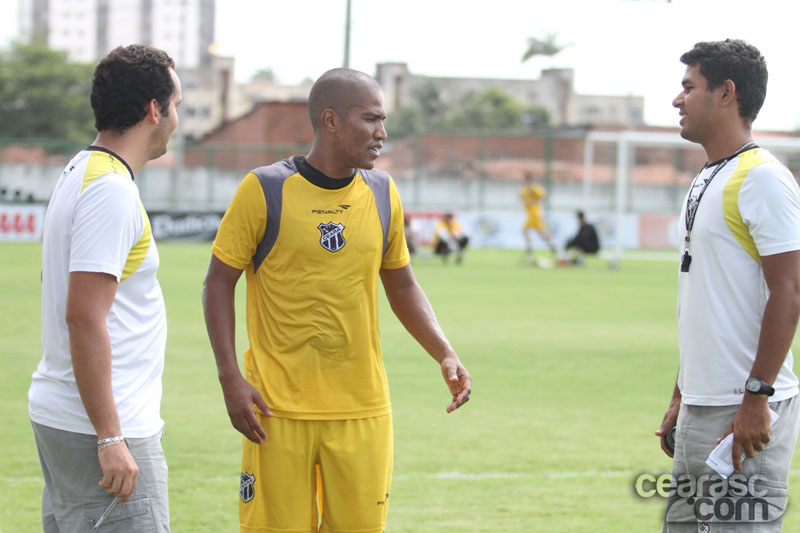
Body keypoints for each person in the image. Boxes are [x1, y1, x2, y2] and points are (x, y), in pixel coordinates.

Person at [202, 68, 471, 533]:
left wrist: (444, 351)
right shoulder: (264, 189)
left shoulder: (383, 192)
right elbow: (218, 282)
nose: (382, 134)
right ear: (330, 121)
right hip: (277, 409)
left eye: (383, 120)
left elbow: (402, 283)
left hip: (363, 407)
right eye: (370, 119)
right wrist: (230, 376)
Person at [27, 45, 180, 532]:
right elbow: (84, 318)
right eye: (176, 105)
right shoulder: (110, 190)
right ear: (153, 110)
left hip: (72, 417)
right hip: (103, 429)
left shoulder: (81, 171)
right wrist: (110, 437)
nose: (177, 119)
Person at [655, 39, 800, 531]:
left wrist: (757, 397)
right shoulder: (707, 177)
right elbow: (708, 299)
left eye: (688, 87)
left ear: (726, 93)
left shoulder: (763, 178)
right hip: (703, 402)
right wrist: (682, 393)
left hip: (746, 409)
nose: (677, 100)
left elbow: (791, 290)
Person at [520, 171, 556, 264]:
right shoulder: (524, 188)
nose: (523, 180)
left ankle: (531, 250)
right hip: (530, 214)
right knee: (530, 231)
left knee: (535, 232)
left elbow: (542, 194)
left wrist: (534, 200)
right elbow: (522, 197)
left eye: (525, 179)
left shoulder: (534, 187)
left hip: (535, 214)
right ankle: (551, 247)